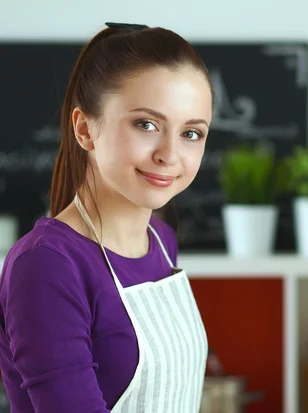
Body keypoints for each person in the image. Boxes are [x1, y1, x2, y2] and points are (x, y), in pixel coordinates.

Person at [0, 22, 213, 413]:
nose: (169, 154)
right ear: (84, 129)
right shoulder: (46, 264)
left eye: (191, 133)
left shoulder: (162, 241)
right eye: (146, 124)